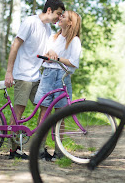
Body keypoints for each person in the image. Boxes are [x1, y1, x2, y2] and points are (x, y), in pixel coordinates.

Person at [4, 0, 65, 159]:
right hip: (22, 75)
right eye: (58, 14)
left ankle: (38, 148)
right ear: (49, 10)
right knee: (19, 109)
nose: (59, 17)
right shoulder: (30, 22)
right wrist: (9, 72)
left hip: (36, 76)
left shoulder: (47, 30)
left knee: (45, 107)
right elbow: (15, 45)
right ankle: (14, 149)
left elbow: (43, 53)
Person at [34, 11, 82, 161]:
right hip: (48, 76)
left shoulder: (74, 41)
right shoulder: (53, 37)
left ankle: (59, 151)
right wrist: (50, 52)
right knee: (43, 114)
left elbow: (74, 62)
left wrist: (57, 58)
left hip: (63, 78)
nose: (59, 17)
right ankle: (39, 150)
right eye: (60, 15)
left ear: (70, 23)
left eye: (63, 16)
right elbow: (46, 54)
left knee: (60, 117)